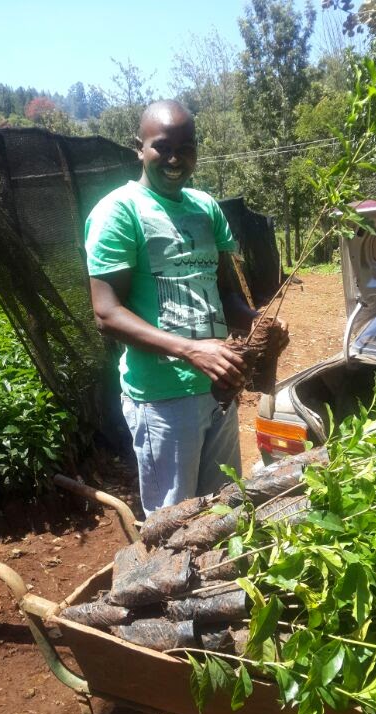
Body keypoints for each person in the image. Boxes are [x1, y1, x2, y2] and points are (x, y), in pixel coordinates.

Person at [86, 100, 286, 515]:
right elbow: (106, 313)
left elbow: (227, 293)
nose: (175, 159)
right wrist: (192, 350)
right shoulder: (119, 211)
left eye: (186, 148)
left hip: (219, 387)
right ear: (139, 148)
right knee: (175, 522)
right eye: (162, 147)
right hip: (162, 398)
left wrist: (257, 322)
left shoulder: (205, 207)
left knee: (223, 511)